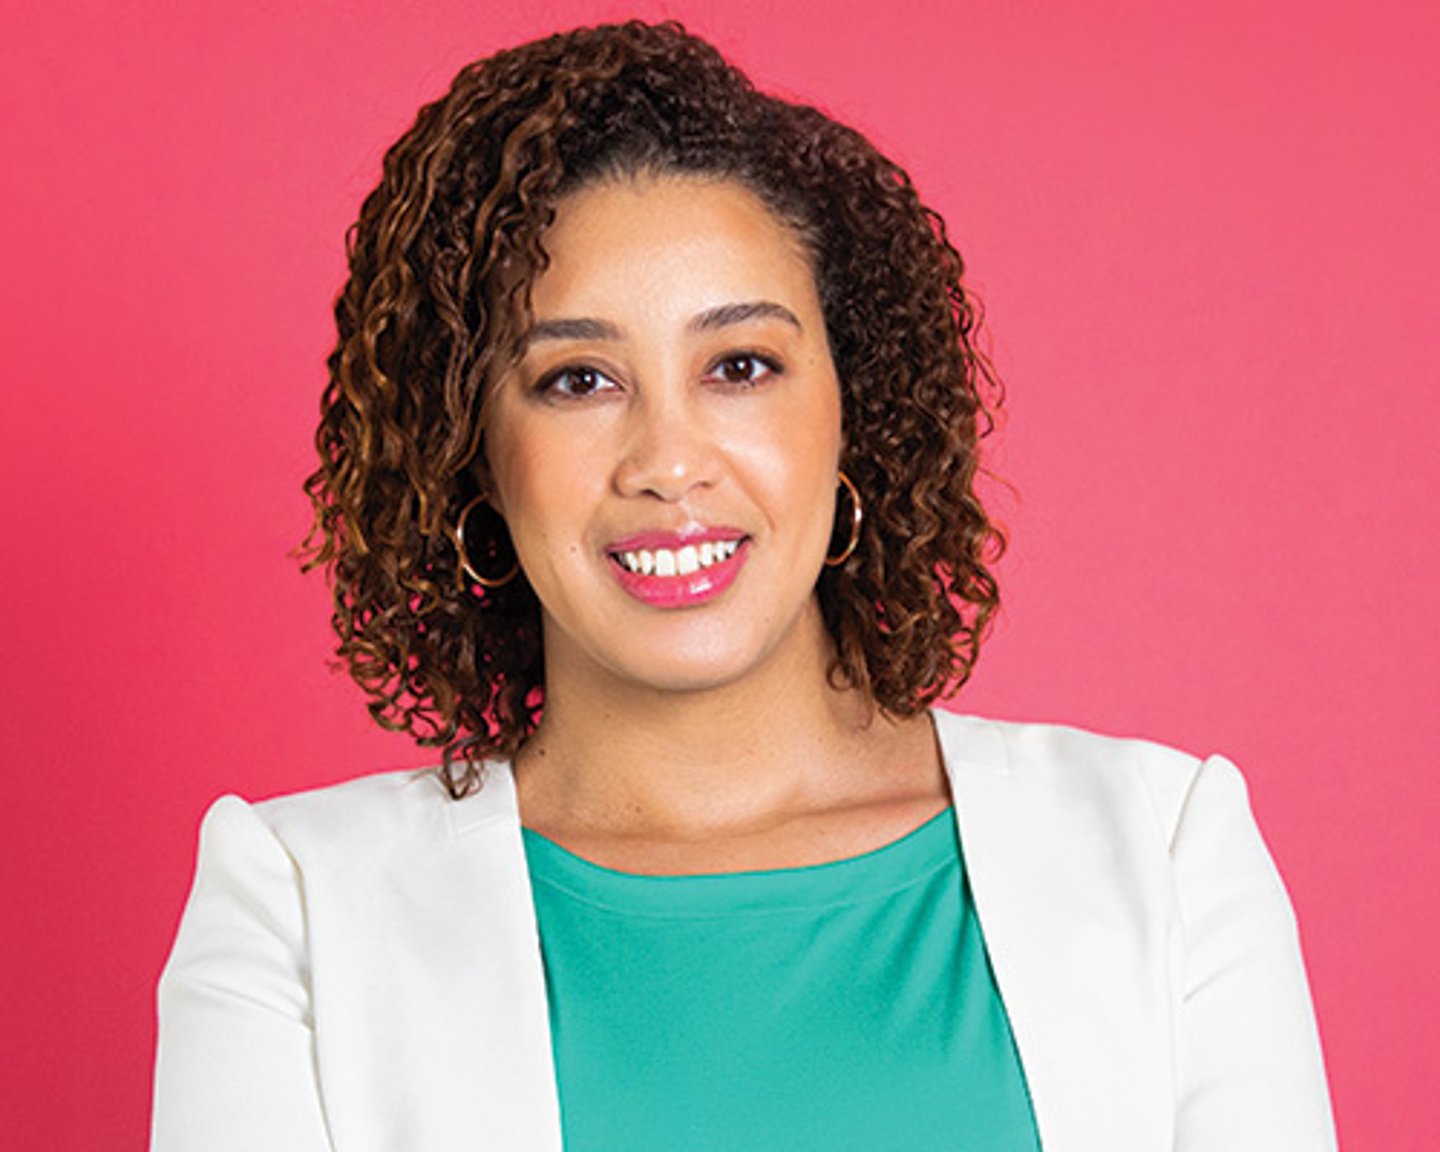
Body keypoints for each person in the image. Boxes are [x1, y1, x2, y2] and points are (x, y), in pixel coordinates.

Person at [151, 20, 1335, 1152]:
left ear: (848, 409)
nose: (670, 461)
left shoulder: (1166, 853)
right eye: (576, 380)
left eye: (741, 365)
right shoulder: (299, 913)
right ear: (476, 454)